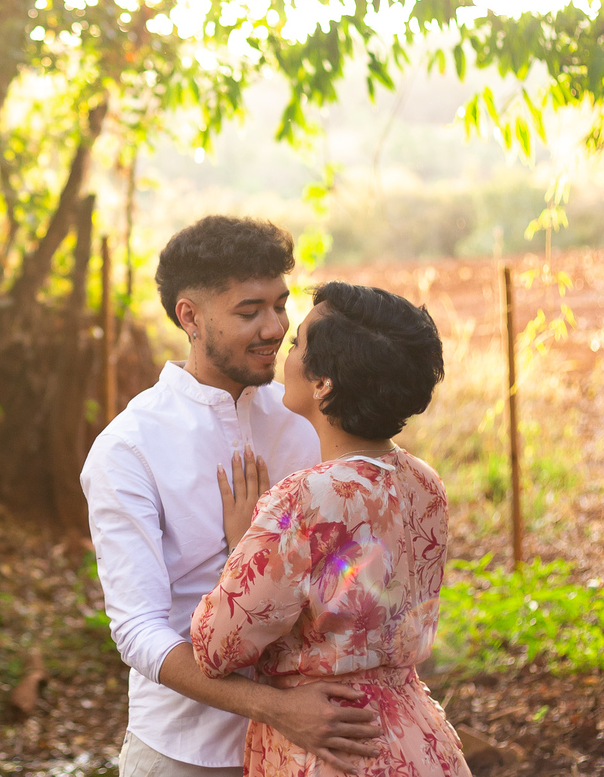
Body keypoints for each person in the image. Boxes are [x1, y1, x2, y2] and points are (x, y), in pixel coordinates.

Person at [81, 216, 382, 777]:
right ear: (189, 317)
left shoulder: (307, 420)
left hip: (313, 746)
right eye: (249, 312)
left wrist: (265, 549)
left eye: (280, 305)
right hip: (184, 750)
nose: (274, 328)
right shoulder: (129, 448)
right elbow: (138, 630)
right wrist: (275, 708)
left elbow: (353, 572)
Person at [191, 282, 471, 777]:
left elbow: (216, 646)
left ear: (323, 384)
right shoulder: (425, 482)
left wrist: (244, 545)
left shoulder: (304, 498)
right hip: (420, 738)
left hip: (332, 743)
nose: (286, 347)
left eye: (297, 342)